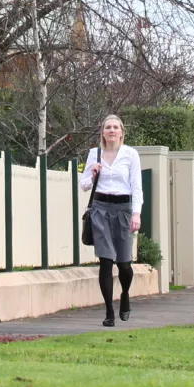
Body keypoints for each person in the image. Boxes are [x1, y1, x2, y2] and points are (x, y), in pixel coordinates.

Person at [80, 114, 143, 327]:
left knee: (124, 263)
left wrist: (136, 213)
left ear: (122, 132)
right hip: (100, 209)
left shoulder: (130, 154)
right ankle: (109, 311)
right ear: (103, 132)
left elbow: (136, 186)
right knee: (106, 260)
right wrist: (93, 174)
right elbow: (84, 185)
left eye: (116, 127)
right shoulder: (94, 154)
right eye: (108, 127)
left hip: (123, 209)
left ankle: (125, 294)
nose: (112, 130)